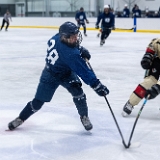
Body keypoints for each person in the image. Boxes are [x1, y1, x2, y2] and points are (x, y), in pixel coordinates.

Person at [8, 21, 109, 131]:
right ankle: (21, 118)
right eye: (73, 36)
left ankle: (84, 116)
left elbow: (68, 48)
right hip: (50, 75)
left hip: (66, 73)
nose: (76, 38)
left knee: (78, 92)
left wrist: (80, 49)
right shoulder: (70, 54)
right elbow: (84, 72)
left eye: (76, 35)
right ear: (65, 37)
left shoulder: (57, 37)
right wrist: (97, 85)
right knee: (38, 101)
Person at [122, 38, 160, 116]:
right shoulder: (158, 41)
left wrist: (157, 88)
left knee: (157, 87)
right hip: (157, 63)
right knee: (148, 82)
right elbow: (153, 45)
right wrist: (147, 57)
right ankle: (131, 102)